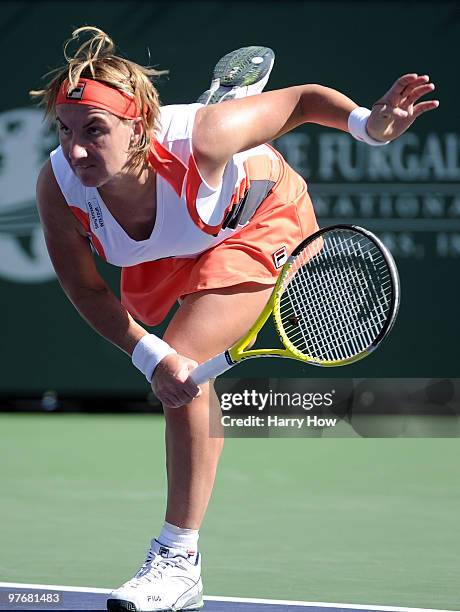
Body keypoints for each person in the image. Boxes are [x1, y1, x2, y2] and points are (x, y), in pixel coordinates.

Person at [31, 26, 438, 612]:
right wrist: (150, 357)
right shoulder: (59, 184)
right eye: (65, 131)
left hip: (257, 219)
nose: (75, 150)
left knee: (188, 368)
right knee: (167, 358)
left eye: (95, 130)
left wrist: (369, 128)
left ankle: (177, 562)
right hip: (173, 246)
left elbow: (302, 102)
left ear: (139, 124)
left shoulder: (204, 135)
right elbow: (84, 287)